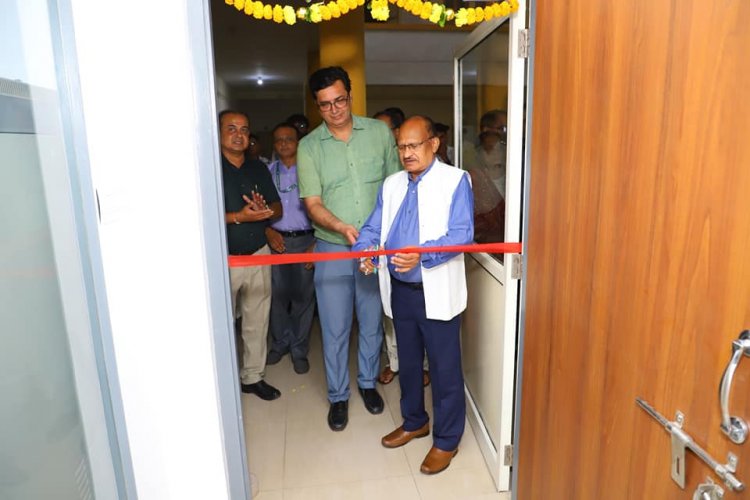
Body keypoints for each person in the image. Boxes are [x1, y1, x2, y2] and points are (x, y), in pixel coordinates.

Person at [353, 115, 474, 475]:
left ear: (433, 144)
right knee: (407, 364)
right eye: (401, 146)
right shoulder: (391, 184)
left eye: (414, 145)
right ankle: (414, 421)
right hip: (401, 291)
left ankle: (447, 440)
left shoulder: (455, 180)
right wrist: (365, 250)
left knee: (444, 368)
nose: (407, 153)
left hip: (434, 290)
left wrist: (420, 252)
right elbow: (374, 225)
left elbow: (461, 235)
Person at [297, 66, 401, 431]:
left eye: (340, 100)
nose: (335, 109)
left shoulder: (378, 133)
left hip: (374, 249)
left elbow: (396, 187)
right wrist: (341, 226)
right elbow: (311, 203)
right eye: (325, 105)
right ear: (317, 106)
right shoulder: (309, 146)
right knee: (335, 327)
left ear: (351, 95)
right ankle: (338, 396)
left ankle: (368, 384)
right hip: (332, 248)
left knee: (371, 321)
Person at [219, 109, 283, 401]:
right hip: (224, 258)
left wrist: (265, 213)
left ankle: (252, 377)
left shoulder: (258, 168)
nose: (239, 135)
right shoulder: (209, 167)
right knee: (220, 322)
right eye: (231, 128)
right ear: (219, 132)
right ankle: (219, 381)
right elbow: (200, 215)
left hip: (258, 253)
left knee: (257, 318)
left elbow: (277, 207)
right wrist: (239, 217)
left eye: (244, 129)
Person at [264, 123, 315, 374]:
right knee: (277, 297)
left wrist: (315, 245)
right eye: (278, 140)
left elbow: (323, 209)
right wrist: (268, 230)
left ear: (299, 142)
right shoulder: (267, 172)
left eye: (289, 139)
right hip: (276, 242)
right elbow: (259, 208)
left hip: (305, 242)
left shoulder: (310, 171)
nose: (283, 143)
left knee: (303, 299)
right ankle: (279, 344)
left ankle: (299, 349)